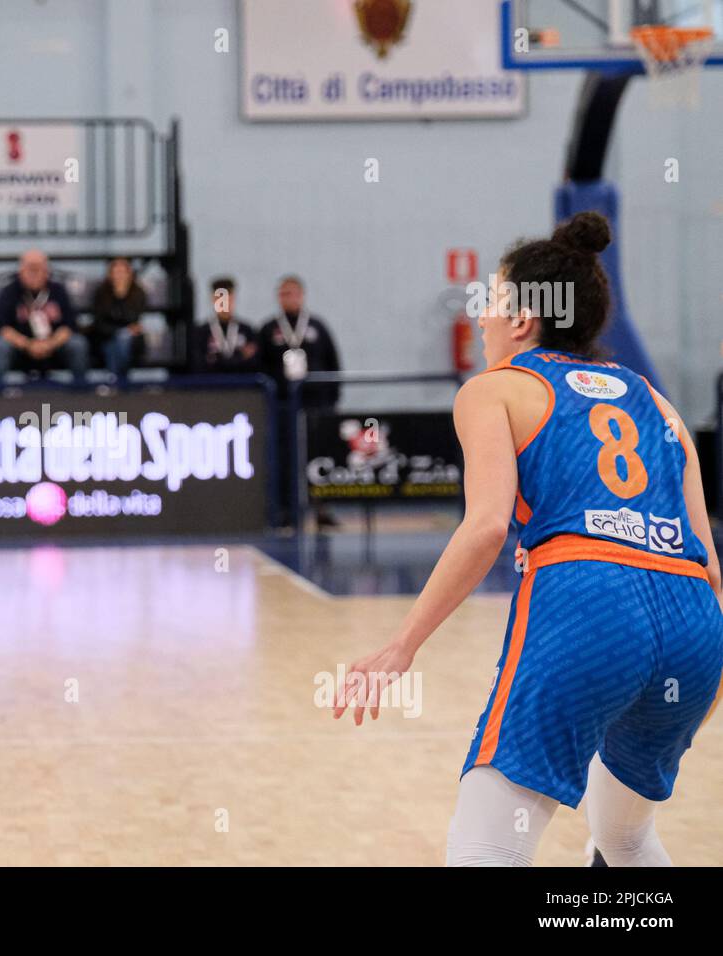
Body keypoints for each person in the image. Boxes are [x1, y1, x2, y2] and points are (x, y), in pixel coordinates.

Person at [333, 212, 723, 866]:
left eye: (489, 300)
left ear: (522, 321)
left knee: (485, 848)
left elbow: (485, 527)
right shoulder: (657, 403)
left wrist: (403, 644)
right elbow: (708, 560)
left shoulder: (496, 390)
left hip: (589, 605)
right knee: (624, 837)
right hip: (696, 631)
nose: (480, 316)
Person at [259, 275, 342, 528]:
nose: (289, 298)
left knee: (318, 459)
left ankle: (322, 509)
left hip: (316, 405)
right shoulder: (269, 329)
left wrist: (331, 401)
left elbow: (333, 363)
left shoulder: (317, 326)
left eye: (293, 293)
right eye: (284, 294)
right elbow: (261, 367)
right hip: (283, 405)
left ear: (302, 296)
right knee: (284, 458)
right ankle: (285, 511)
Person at [0, 249, 89, 391]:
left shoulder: (58, 290)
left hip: (54, 348)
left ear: (47, 271)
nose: (34, 273)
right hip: (20, 350)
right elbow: (1, 327)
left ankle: (82, 392)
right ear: (21, 270)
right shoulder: (9, 292)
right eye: (30, 269)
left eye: (38, 268)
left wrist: (49, 344)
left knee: (77, 344)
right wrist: (28, 345)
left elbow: (69, 325)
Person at [90, 257, 147, 386]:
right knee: (115, 342)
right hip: (105, 337)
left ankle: (116, 380)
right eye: (116, 272)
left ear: (130, 274)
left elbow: (133, 318)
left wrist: (121, 296)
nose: (119, 276)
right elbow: (99, 322)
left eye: (123, 272)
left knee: (124, 339)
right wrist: (119, 330)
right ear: (110, 275)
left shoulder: (138, 293)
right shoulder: (101, 293)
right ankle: (119, 381)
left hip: (132, 342)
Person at [190, 277, 258, 373]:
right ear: (213, 299)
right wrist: (240, 356)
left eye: (228, 299)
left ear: (233, 298)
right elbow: (201, 366)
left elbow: (253, 365)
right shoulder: (200, 332)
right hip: (211, 386)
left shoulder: (247, 331)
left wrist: (216, 359)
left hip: (242, 386)